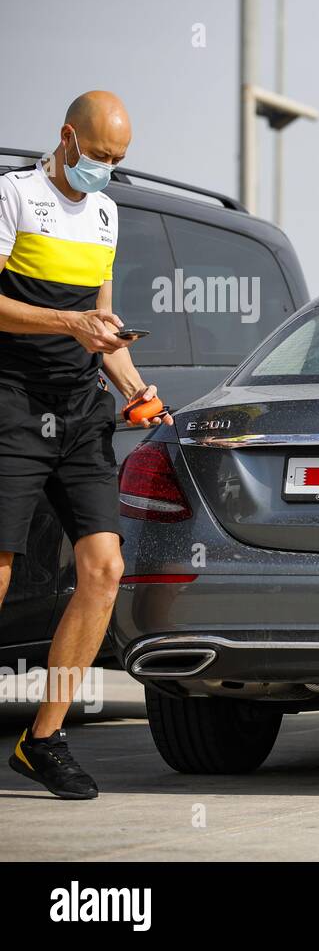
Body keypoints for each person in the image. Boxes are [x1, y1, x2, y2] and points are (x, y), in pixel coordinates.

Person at [0, 91, 172, 800]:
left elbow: (101, 319)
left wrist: (137, 389)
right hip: (11, 402)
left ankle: (43, 740)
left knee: (102, 571)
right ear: (67, 137)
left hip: (80, 412)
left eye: (120, 160)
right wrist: (66, 325)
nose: (109, 170)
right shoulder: (12, 196)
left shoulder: (106, 213)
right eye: (101, 155)